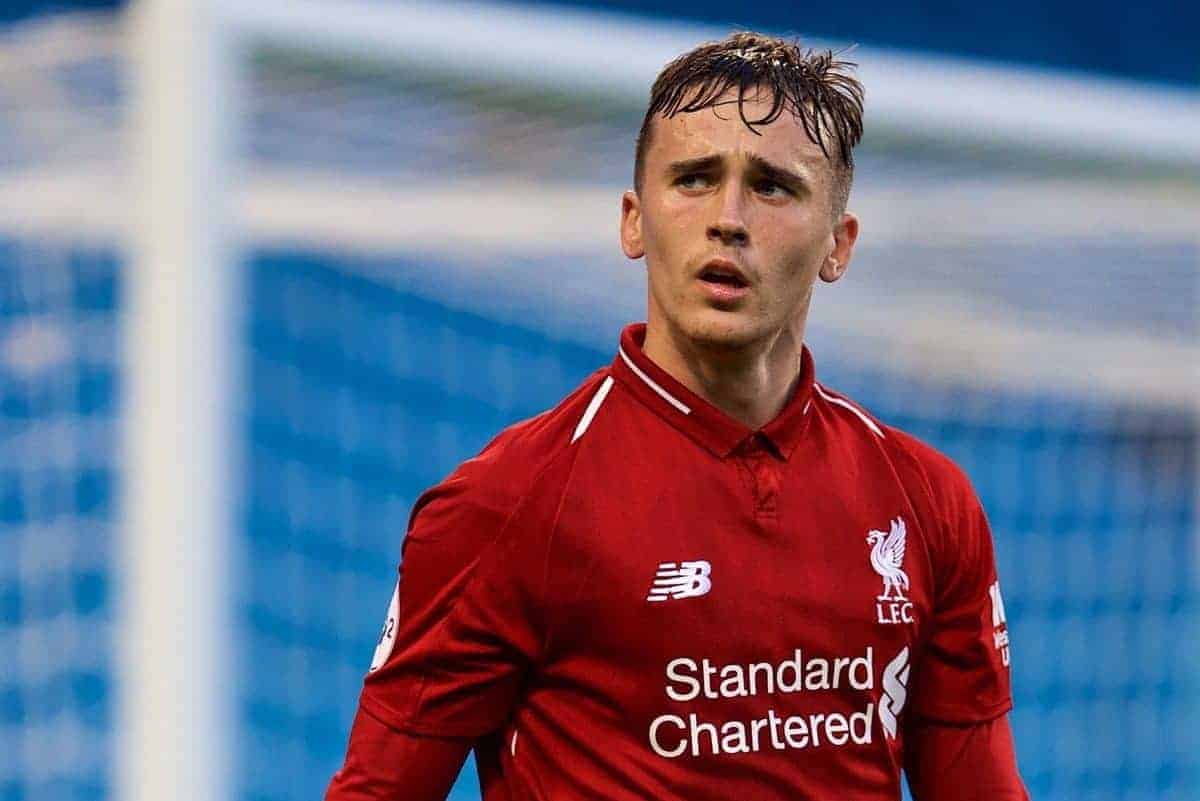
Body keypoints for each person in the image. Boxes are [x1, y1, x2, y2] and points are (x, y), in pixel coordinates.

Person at [325, 31, 1028, 801]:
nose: (728, 217)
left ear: (839, 243)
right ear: (634, 220)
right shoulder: (508, 503)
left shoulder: (926, 504)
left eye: (773, 187)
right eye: (694, 179)